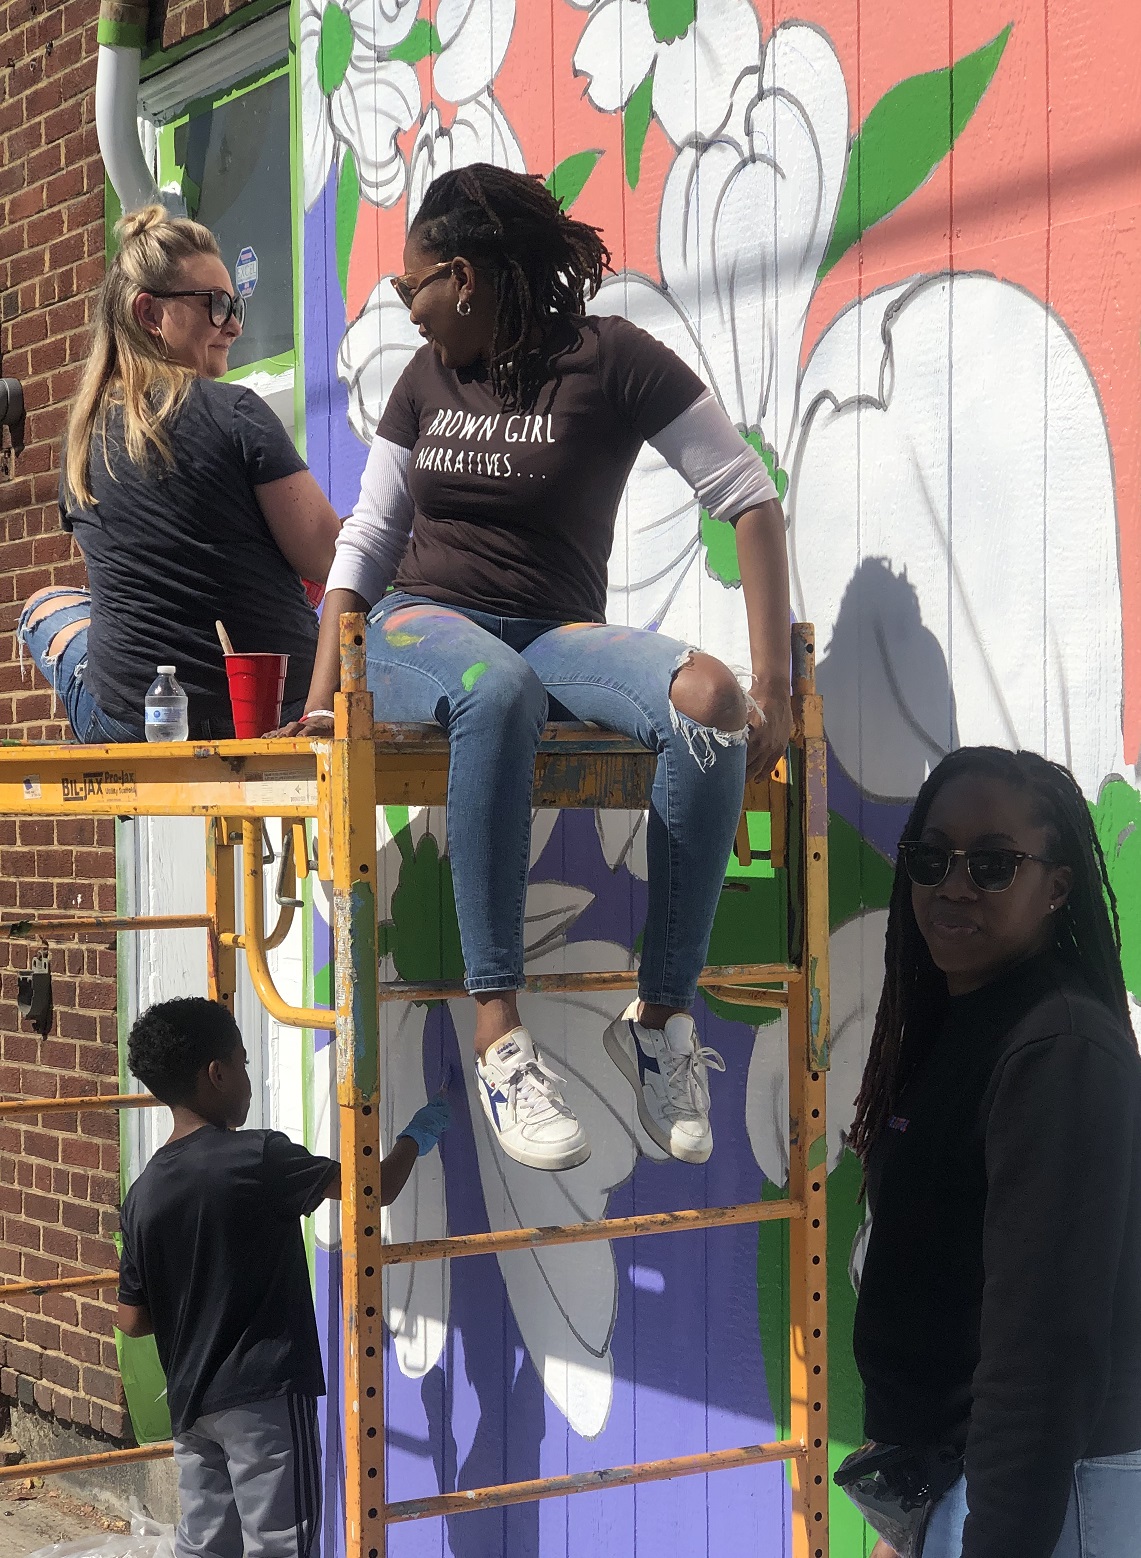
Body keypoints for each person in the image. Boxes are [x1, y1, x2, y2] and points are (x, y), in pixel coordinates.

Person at [278, 163, 793, 1173]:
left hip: (555, 631)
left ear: (462, 276)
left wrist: (771, 684)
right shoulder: (425, 382)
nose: (407, 311)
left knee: (710, 703)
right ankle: (499, 1034)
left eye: (410, 288)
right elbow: (365, 546)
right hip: (419, 626)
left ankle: (658, 1016)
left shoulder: (611, 361)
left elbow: (747, 497)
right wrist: (317, 694)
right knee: (493, 690)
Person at [845, 747, 1141, 1558]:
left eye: (993, 863)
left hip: (1039, 1500)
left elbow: (1044, 1351)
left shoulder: (1059, 1050)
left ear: (1056, 887)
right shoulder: (962, 1021)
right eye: (932, 857)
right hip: (958, 1486)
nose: (954, 884)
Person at [116, 997, 450, 1558]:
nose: (248, 1077)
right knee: (281, 1545)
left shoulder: (143, 1193)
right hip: (265, 1398)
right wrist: (417, 1137)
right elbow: (376, 1188)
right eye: (243, 1064)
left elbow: (131, 1319)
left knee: (203, 1548)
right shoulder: (258, 1157)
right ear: (216, 1074)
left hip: (193, 1408)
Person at [17, 205, 341, 741]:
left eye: (235, 304)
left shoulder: (83, 443)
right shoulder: (235, 411)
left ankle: (121, 756)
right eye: (216, 305)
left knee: (46, 605)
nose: (235, 323)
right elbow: (330, 557)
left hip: (139, 724)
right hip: (273, 711)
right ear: (150, 313)